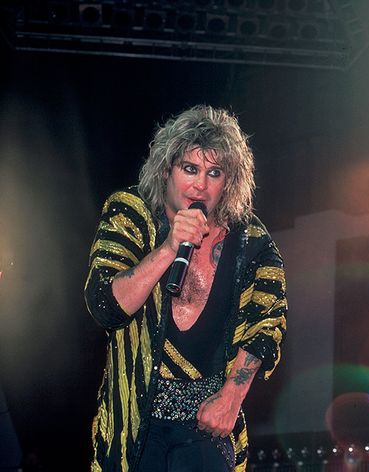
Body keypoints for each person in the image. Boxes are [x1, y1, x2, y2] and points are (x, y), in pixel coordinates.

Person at [85, 105, 288, 471]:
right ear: (166, 170)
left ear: (229, 182)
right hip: (135, 422)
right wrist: (167, 249)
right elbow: (104, 306)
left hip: (204, 424)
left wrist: (231, 397)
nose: (201, 185)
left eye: (214, 173)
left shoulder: (252, 241)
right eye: (190, 169)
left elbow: (267, 324)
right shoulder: (131, 214)